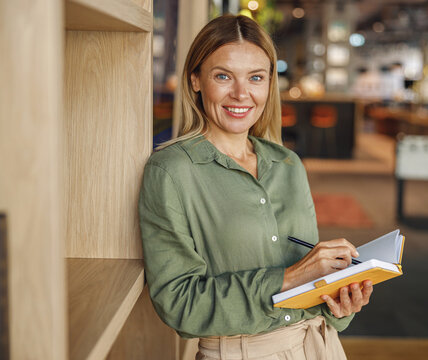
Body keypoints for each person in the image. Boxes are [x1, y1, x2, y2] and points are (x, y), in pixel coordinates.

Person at [138, 14, 373, 360]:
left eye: (256, 78)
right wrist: (289, 278)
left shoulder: (289, 165)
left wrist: (339, 301)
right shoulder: (171, 172)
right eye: (223, 76)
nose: (241, 93)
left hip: (321, 346)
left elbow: (309, 283)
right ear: (196, 81)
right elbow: (179, 304)